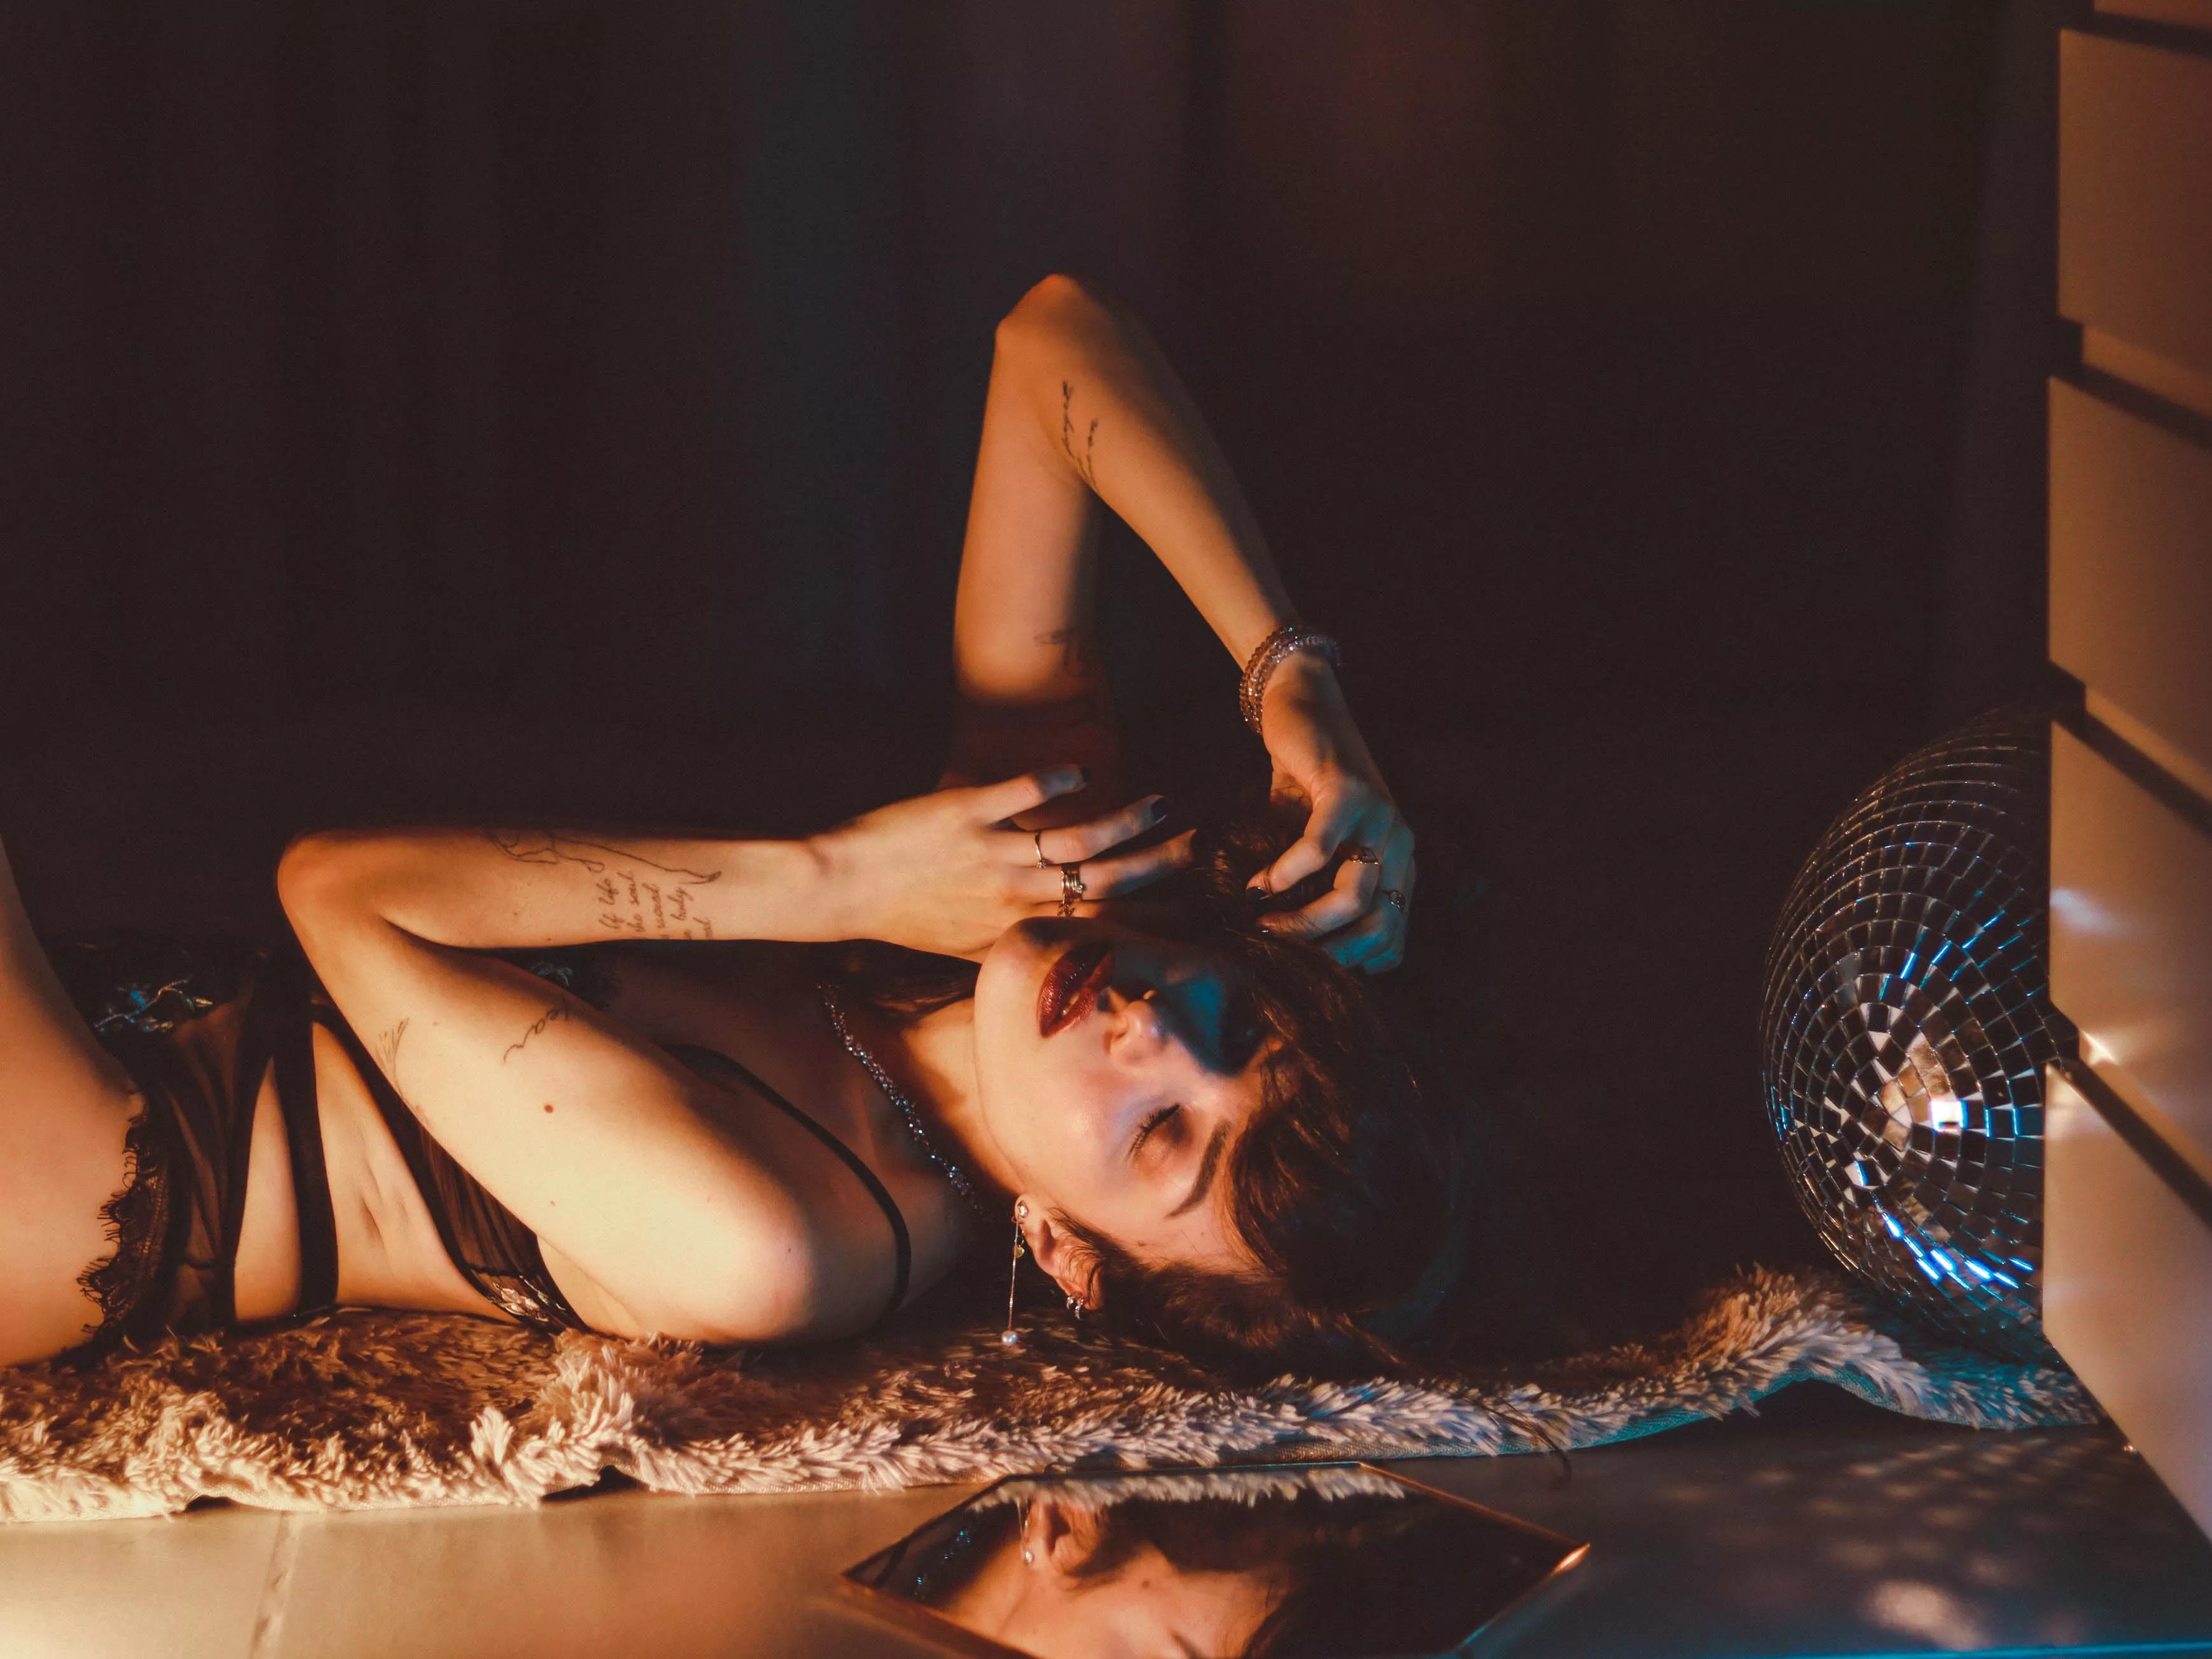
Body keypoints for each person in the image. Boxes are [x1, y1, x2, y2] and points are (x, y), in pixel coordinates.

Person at [0, 275, 1458, 1377]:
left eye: (1161, 1137)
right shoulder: (1020, 913)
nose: (1150, 1031)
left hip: (90, 1189)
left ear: (1067, 1253)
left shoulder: (777, 1243)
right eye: (1236, 1024)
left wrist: (837, 882)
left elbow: (336, 889)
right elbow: (1050, 341)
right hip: (108, 1006)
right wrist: (1291, 682)